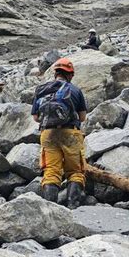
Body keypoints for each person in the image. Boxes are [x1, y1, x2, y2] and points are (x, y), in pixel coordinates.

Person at [31, 57, 87, 208]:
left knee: (51, 171)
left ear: (55, 73)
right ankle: (72, 206)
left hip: (48, 134)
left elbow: (36, 118)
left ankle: (51, 209)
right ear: (70, 74)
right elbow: (82, 117)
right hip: (70, 133)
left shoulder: (41, 90)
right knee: (75, 171)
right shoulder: (75, 90)